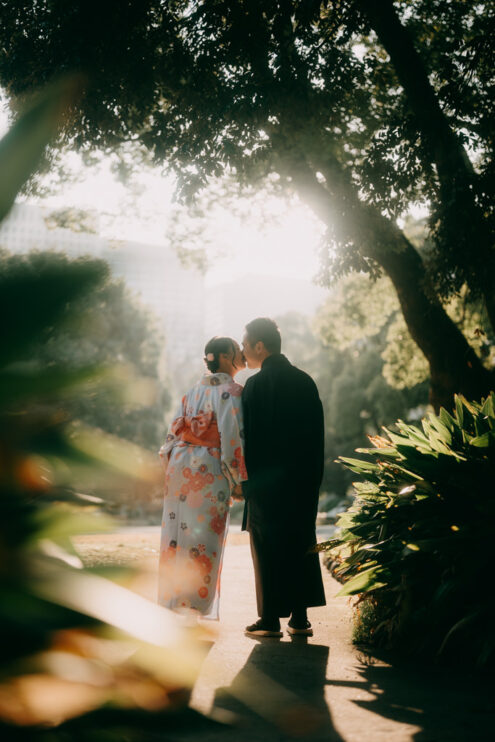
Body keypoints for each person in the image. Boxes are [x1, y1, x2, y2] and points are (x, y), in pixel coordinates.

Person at [241, 317, 326, 637]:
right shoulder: (305, 381)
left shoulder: (254, 386)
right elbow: (317, 437)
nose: (244, 351)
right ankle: (300, 619)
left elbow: (245, 438)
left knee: (267, 548)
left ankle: (269, 620)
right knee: (300, 543)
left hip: (265, 484)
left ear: (260, 346)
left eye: (246, 345)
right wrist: (313, 480)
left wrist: (244, 482)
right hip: (302, 482)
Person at [158, 337, 247, 620]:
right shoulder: (231, 392)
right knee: (203, 538)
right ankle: (195, 607)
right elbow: (233, 438)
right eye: (236, 350)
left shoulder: (192, 391)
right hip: (208, 469)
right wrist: (237, 480)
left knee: (175, 537)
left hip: (179, 468)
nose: (241, 355)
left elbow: (171, 436)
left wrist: (172, 465)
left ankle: (173, 603)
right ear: (224, 357)